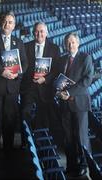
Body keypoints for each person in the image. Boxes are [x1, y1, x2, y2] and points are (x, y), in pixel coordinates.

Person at [0, 11, 28, 155]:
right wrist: (2, 71)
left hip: (12, 87)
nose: (7, 24)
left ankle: (8, 149)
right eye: (5, 21)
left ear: (14, 25)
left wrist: (18, 72)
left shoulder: (19, 42)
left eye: (10, 22)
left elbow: (25, 62)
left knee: (10, 120)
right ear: (0, 22)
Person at [57, 32, 94, 177]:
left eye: (72, 42)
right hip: (65, 104)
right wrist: (59, 92)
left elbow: (87, 80)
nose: (70, 45)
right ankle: (71, 164)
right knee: (68, 137)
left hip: (79, 104)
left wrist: (69, 93)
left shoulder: (85, 58)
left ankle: (85, 165)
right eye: (68, 42)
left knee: (81, 136)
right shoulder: (62, 60)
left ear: (78, 43)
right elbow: (59, 80)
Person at [21, 22, 60, 130]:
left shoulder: (54, 49)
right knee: (25, 113)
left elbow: (56, 70)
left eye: (42, 31)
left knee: (43, 119)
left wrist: (45, 79)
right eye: (37, 31)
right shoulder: (25, 47)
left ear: (46, 33)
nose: (39, 34)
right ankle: (26, 141)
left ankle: (40, 142)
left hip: (45, 88)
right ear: (33, 33)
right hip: (29, 87)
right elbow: (22, 66)